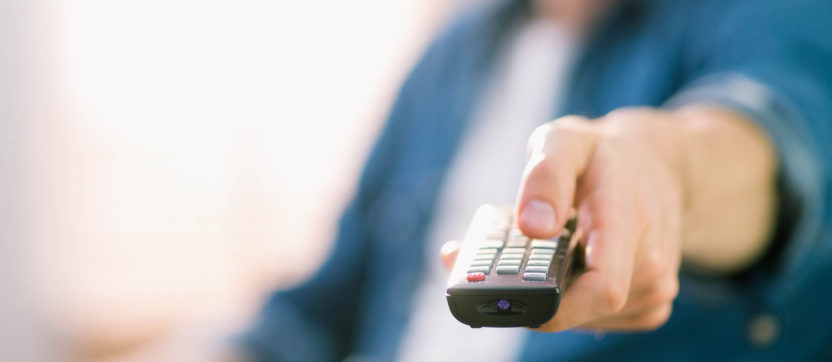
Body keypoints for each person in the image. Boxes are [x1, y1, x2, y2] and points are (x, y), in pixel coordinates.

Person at [236, 0, 832, 360]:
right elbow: (323, 306)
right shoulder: (452, 50)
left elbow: (781, 132)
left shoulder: (760, 14)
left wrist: (667, 175)